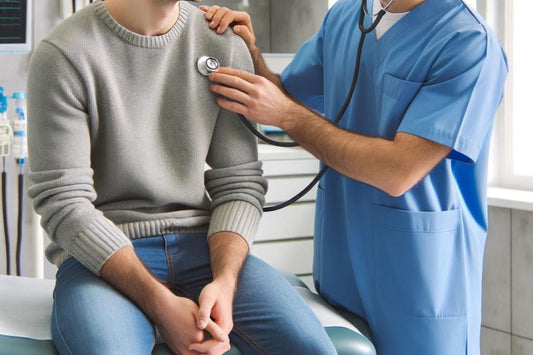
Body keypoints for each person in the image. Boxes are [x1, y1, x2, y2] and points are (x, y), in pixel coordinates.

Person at [26, 0, 337, 354]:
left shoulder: (222, 43)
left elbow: (239, 183)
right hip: (104, 257)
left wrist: (224, 281)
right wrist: (161, 305)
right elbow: (64, 203)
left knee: (314, 349)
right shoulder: (63, 54)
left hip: (203, 247)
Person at [202, 0, 508, 354]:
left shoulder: (468, 43)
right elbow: (285, 98)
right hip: (341, 272)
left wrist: (288, 116)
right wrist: (248, 50)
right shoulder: (346, 17)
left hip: (420, 284)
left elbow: (398, 171)